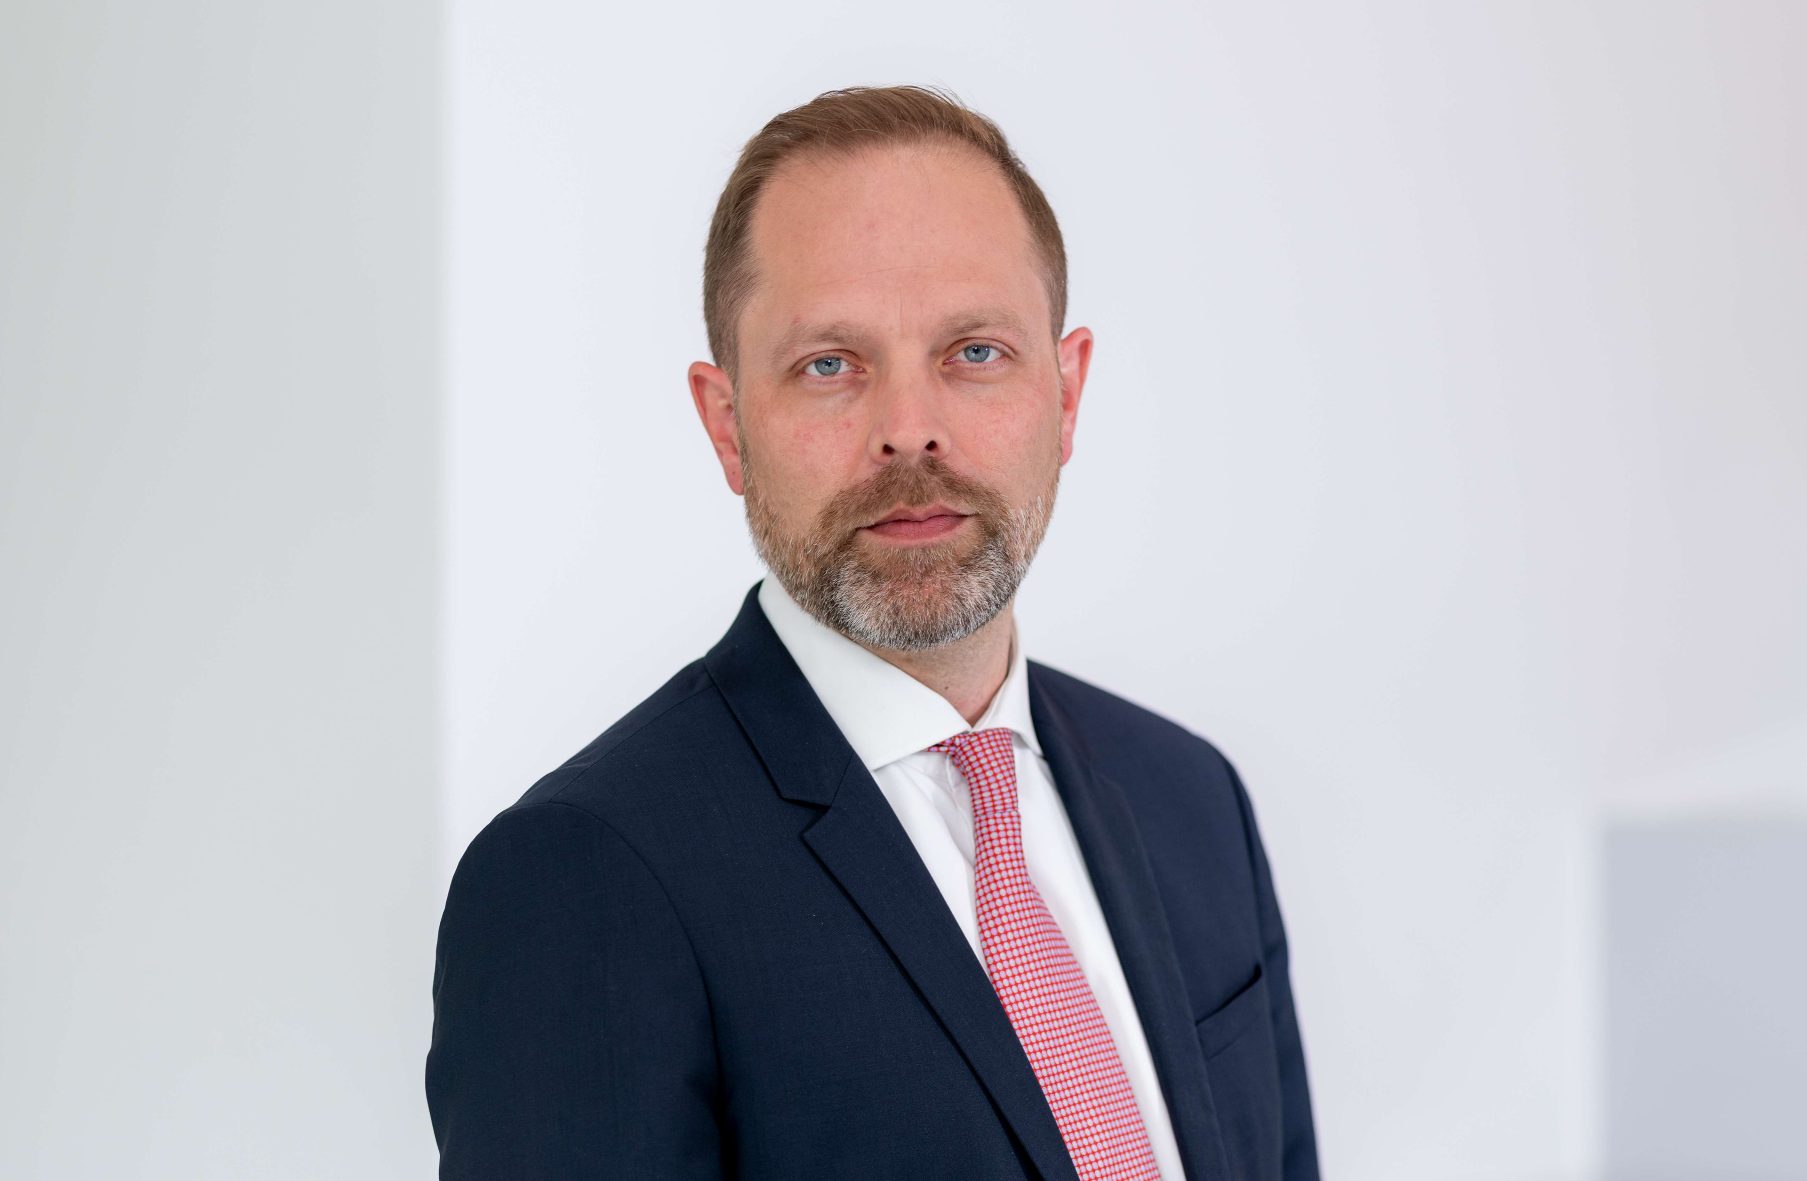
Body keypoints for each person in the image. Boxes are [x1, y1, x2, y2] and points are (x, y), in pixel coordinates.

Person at [426, 84, 1320, 1181]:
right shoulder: (587, 876)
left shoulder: (1192, 800)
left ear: (1068, 392)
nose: (909, 430)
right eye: (829, 365)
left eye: (976, 351)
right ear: (728, 426)